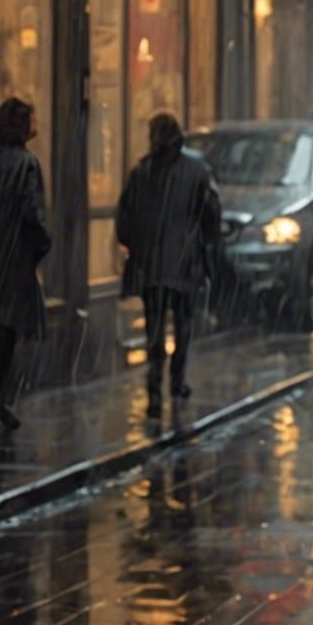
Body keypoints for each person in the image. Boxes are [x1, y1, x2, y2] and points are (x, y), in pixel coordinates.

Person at [117, 112, 220, 410]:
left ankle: (154, 387)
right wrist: (205, 243)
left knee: (155, 325)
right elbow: (211, 216)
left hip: (151, 263)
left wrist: (137, 244)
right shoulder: (196, 171)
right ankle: (176, 380)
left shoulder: (142, 172)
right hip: (184, 262)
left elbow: (125, 218)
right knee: (184, 322)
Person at [0, 96, 51, 431]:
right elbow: (31, 213)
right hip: (12, 259)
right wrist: (40, 245)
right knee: (6, 334)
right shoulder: (25, 164)